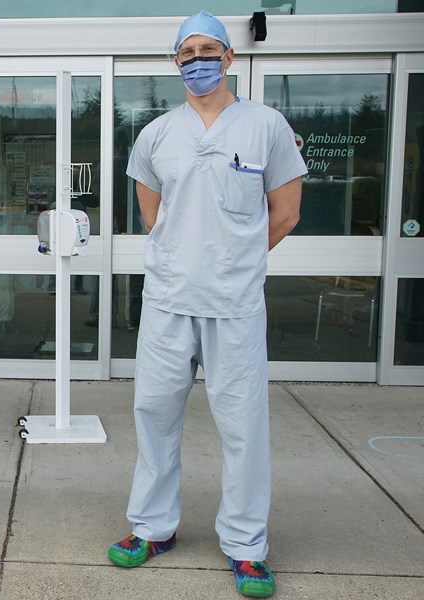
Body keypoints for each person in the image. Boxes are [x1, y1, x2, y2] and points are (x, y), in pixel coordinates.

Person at [106, 11, 306, 599]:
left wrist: (232, 259)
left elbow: (287, 214)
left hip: (235, 305)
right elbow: (154, 219)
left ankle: (247, 547)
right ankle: (152, 527)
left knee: (243, 428)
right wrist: (193, 258)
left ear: (229, 58)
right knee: (154, 417)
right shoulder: (156, 136)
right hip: (169, 302)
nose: (197, 59)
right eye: (186, 51)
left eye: (208, 49)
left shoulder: (266, 126)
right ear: (175, 63)